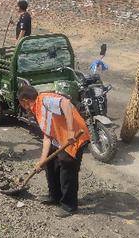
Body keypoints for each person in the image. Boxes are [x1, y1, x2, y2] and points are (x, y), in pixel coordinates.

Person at [17, 85, 91, 217]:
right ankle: (55, 196)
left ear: (25, 101)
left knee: (67, 168)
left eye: (21, 104)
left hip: (75, 138)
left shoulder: (44, 100)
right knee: (50, 164)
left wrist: (70, 131)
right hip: (59, 139)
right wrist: (41, 161)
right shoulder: (37, 110)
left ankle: (69, 206)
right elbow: (47, 136)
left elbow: (66, 104)